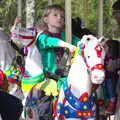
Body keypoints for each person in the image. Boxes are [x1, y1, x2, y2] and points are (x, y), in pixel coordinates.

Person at [34, 4, 80, 119]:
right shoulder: (42, 36)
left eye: (62, 17)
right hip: (48, 80)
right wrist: (66, 44)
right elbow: (50, 41)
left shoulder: (67, 36)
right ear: (46, 19)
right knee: (45, 107)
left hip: (66, 79)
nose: (59, 18)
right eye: (55, 15)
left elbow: (80, 43)